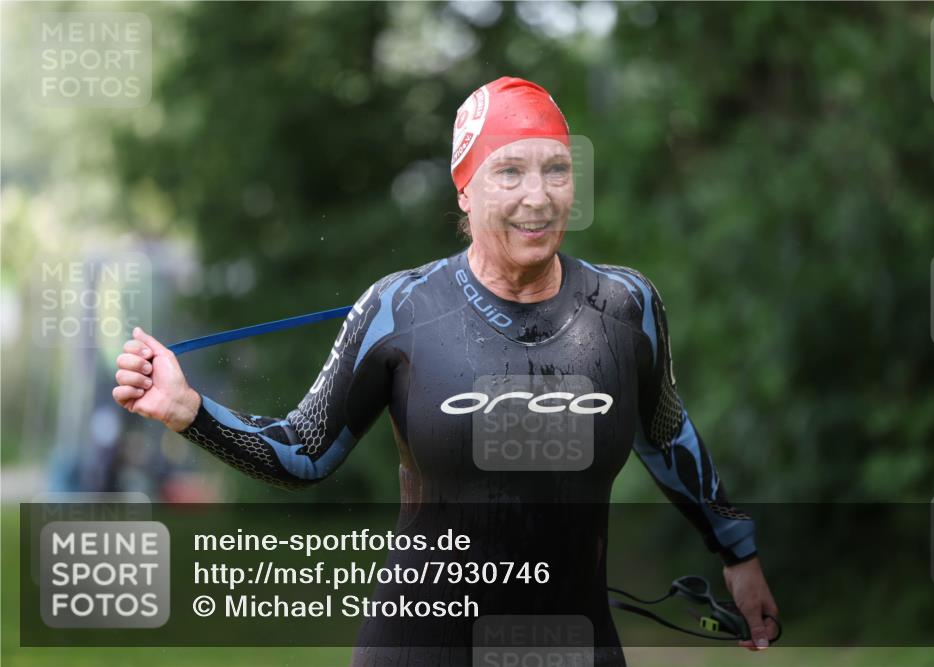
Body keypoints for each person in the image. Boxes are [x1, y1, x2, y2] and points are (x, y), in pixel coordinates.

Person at [114, 76, 779, 665]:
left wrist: (737, 552)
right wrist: (188, 410)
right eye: (510, 171)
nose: (540, 197)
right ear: (466, 189)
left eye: (558, 169)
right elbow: (303, 453)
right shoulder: (398, 308)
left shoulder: (624, 307)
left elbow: (666, 435)